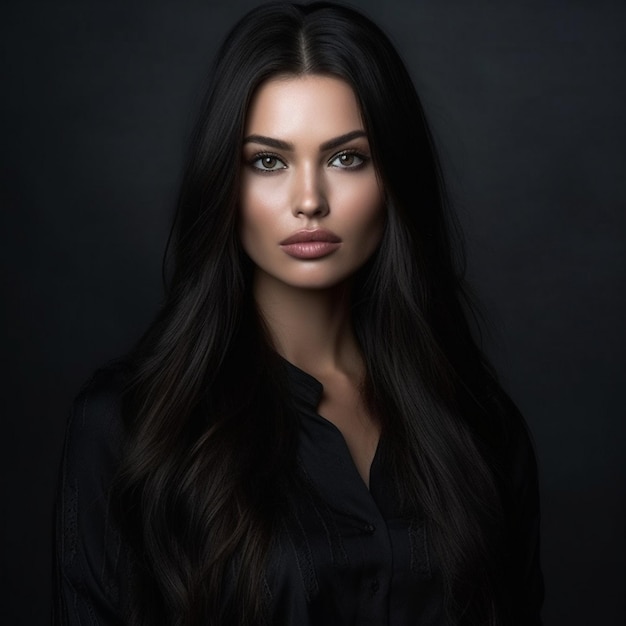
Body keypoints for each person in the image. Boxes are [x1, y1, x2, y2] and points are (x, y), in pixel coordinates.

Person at [53, 2, 544, 625]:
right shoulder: (129, 428)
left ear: (393, 178)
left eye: (346, 158)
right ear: (224, 184)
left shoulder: (479, 425)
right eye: (268, 161)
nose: (309, 200)